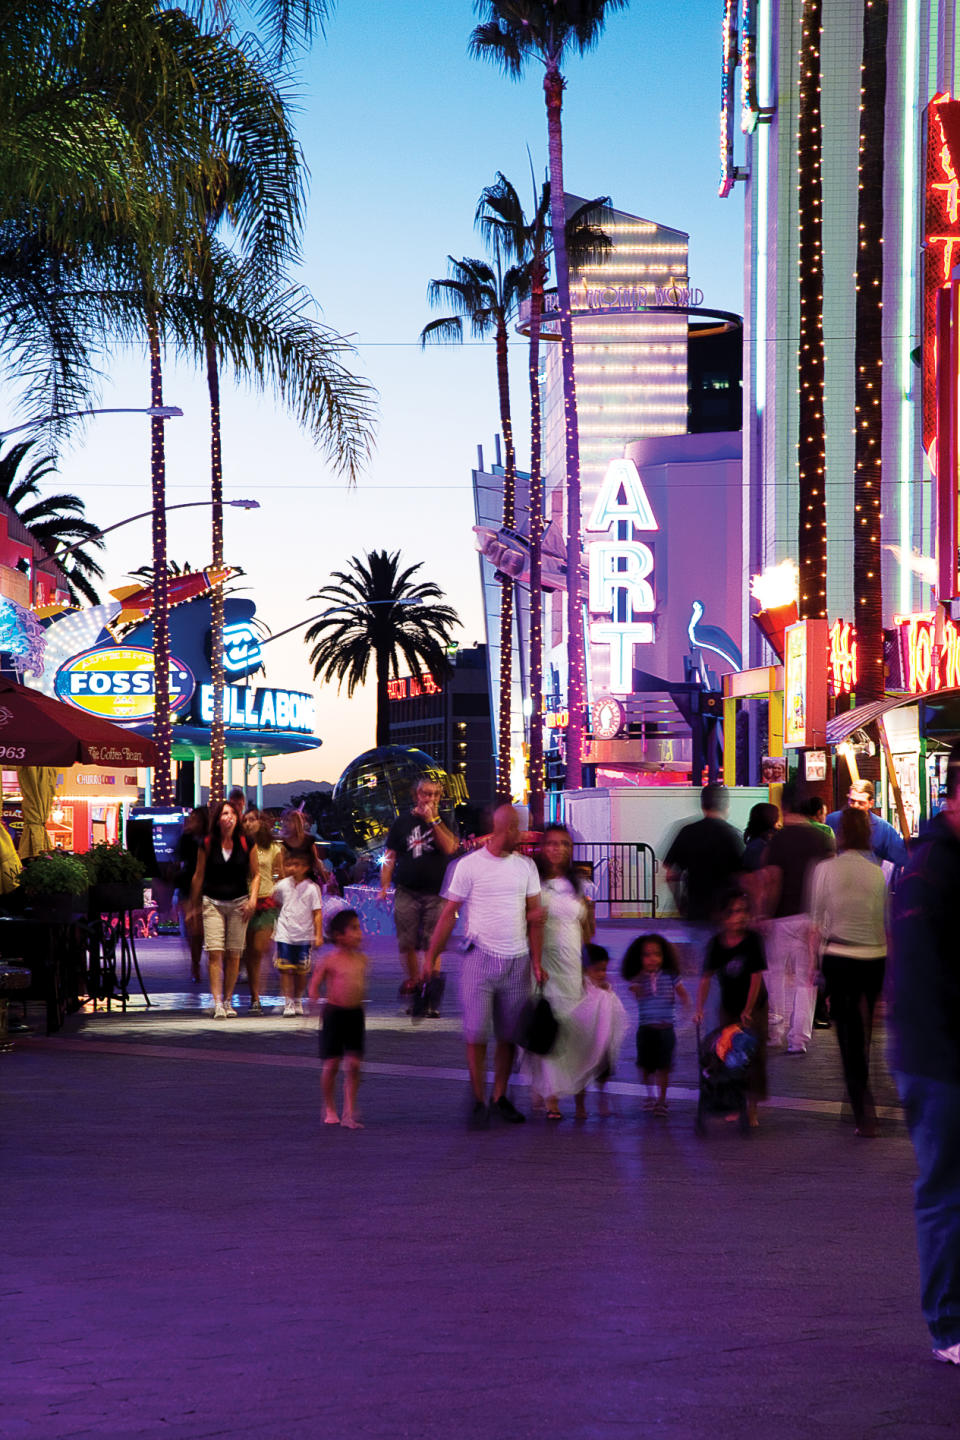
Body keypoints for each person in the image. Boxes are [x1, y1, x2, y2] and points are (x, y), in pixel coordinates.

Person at [892, 744, 960, 1365]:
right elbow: (921, 979)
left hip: (937, 1053)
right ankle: (948, 1325)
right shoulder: (931, 867)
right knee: (946, 1190)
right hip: (938, 1060)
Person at [423, 804, 543, 1128]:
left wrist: (536, 960)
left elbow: (534, 916)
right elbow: (449, 914)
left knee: (509, 1035)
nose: (520, 835)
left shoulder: (526, 867)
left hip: (517, 960)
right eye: (516, 828)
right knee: (476, 1032)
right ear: (503, 828)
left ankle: (499, 1096)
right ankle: (478, 1098)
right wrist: (431, 955)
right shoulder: (469, 866)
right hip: (479, 957)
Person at [808, 806, 887, 1136]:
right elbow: (884, 921)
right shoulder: (879, 872)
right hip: (874, 956)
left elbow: (815, 923)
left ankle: (860, 1108)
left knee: (847, 1034)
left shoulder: (825, 869)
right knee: (865, 1033)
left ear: (840, 835)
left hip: (839, 955)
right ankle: (860, 1098)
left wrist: (815, 966)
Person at [526, 825, 594, 1119]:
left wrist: (588, 914)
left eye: (564, 844)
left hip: (572, 965)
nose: (558, 849)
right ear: (543, 848)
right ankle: (551, 1097)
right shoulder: (533, 884)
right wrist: (535, 962)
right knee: (549, 1025)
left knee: (570, 1029)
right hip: (544, 964)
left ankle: (556, 1089)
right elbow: (527, 924)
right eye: (552, 844)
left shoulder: (578, 885)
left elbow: (588, 933)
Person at [762, 780, 835, 1054]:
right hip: (813, 917)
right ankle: (799, 1038)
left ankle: (776, 1030)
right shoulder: (823, 838)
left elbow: (772, 879)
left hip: (782, 916)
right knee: (806, 978)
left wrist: (766, 913)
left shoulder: (778, 839)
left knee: (777, 973)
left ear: (784, 805)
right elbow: (830, 879)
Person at [379, 777, 459, 999]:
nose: (430, 798)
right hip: (407, 890)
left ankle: (430, 991)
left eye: (435, 794)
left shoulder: (445, 820)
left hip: (437, 892)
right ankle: (415, 983)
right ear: (416, 795)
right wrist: (384, 885)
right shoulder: (401, 822)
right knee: (407, 942)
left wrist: (433, 821)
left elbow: (450, 847)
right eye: (426, 793)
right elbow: (390, 855)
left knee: (433, 943)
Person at [695, 889, 768, 1127]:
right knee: (726, 1055)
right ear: (723, 917)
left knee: (752, 1056)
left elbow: (756, 977)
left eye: (742, 911)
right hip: (729, 1005)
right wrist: (699, 1008)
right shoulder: (716, 943)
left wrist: (748, 1010)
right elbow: (706, 977)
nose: (739, 917)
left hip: (754, 1004)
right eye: (733, 912)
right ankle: (733, 1102)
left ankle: (752, 1107)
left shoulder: (753, 940)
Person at [190, 799, 260, 1019]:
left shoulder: (247, 842)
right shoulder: (207, 843)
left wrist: (253, 900)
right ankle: (217, 1001)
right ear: (217, 819)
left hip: (239, 902)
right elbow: (198, 875)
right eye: (224, 813)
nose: (228, 817)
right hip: (212, 901)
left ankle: (228, 1000)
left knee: (234, 953)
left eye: (232, 813)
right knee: (214, 952)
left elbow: (256, 874)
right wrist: (193, 906)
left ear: (237, 818)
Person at [309, 908, 368, 1130]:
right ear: (338, 936)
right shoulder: (329, 960)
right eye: (353, 928)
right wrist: (314, 996)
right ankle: (330, 1106)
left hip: (355, 1016)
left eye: (359, 927)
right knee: (332, 1064)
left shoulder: (362, 960)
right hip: (334, 1015)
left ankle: (349, 1111)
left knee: (353, 1065)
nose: (359, 933)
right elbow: (315, 982)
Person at [663, 784, 744, 946]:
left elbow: (671, 875)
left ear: (702, 804)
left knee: (700, 960)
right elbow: (741, 876)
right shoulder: (732, 834)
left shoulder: (687, 831)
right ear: (725, 805)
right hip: (725, 913)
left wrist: (679, 901)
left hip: (695, 909)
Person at [621, 933, 690, 1116]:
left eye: (656, 954)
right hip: (646, 1029)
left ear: (663, 956)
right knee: (645, 1066)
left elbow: (683, 993)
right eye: (647, 955)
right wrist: (639, 985)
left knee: (664, 1067)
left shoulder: (670, 975)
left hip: (666, 1028)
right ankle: (649, 1095)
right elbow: (635, 991)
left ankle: (661, 1100)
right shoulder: (639, 978)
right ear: (639, 958)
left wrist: (686, 1007)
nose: (652, 959)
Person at [573, 944, 629, 1119]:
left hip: (601, 1039)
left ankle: (601, 1096)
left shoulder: (605, 988)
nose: (602, 974)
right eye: (597, 970)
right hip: (583, 1040)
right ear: (585, 968)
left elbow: (615, 1012)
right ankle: (580, 1106)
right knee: (580, 1075)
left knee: (603, 1072)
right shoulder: (579, 986)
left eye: (604, 970)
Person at [241, 808, 283, 1014]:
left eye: (252, 820)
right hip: (242, 901)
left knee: (258, 949)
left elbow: (281, 875)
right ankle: (254, 995)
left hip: (266, 901)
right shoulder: (239, 847)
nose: (248, 824)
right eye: (245, 820)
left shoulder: (273, 848)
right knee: (248, 951)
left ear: (261, 822)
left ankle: (257, 994)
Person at [272, 851, 323, 1017]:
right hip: (285, 933)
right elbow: (276, 902)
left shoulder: (312, 888)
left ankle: (298, 999)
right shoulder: (282, 885)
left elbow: (317, 913)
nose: (292, 868)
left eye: (297, 865)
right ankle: (288, 1001)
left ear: (306, 867)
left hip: (304, 935)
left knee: (301, 971)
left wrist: (318, 934)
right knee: (285, 969)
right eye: (289, 865)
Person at [826, 779, 907, 870]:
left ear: (871, 803)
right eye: (852, 801)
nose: (855, 806)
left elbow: (901, 861)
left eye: (861, 803)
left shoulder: (885, 830)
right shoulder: (831, 821)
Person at [174, 807, 208, 983]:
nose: (191, 821)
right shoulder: (186, 838)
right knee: (192, 928)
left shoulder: (211, 839)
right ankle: (195, 963)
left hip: (208, 885)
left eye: (195, 818)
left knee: (201, 928)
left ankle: (201, 961)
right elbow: (178, 861)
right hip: (187, 884)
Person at [278, 808, 329, 884]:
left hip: (307, 881)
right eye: (284, 820)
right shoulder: (282, 841)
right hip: (289, 882)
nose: (285, 823)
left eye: (288, 820)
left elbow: (315, 860)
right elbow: (281, 864)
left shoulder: (307, 840)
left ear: (296, 823)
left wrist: (325, 880)